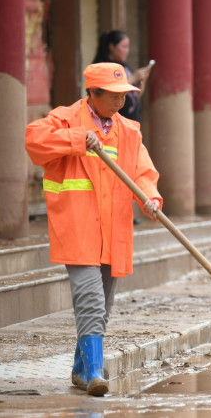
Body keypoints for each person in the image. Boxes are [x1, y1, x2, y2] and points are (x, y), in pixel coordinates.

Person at [25, 63, 162, 396]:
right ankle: (95, 373)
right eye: (113, 96)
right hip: (78, 227)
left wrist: (151, 199)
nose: (120, 103)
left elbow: (142, 172)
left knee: (104, 304)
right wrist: (75, 139)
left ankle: (80, 369)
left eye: (124, 96)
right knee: (90, 300)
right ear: (93, 93)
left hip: (113, 232)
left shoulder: (128, 131)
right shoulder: (68, 118)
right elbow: (34, 141)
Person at [92, 30, 152, 122]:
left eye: (128, 47)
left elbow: (136, 95)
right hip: (115, 120)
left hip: (131, 119)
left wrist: (142, 79)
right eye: (124, 47)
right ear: (112, 46)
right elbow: (110, 91)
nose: (127, 51)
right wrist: (134, 77)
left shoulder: (124, 66)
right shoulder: (103, 66)